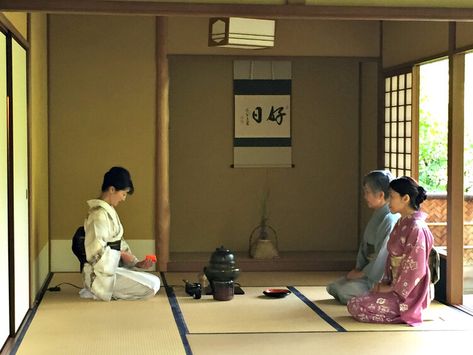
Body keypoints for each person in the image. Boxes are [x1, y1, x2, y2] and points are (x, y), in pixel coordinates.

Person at [347, 176, 434, 326]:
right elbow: (391, 260)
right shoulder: (401, 223)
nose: (389, 201)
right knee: (355, 302)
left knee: (358, 306)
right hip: (395, 285)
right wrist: (384, 284)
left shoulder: (416, 228)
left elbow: (415, 269)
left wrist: (392, 288)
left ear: (405, 198)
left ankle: (410, 311)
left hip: (409, 293)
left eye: (392, 197)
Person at [80, 167, 161, 301]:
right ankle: (95, 290)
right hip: (100, 275)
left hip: (113, 268)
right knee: (150, 288)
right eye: (123, 194)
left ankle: (112, 289)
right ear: (112, 190)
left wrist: (137, 263)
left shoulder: (109, 211)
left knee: (154, 281)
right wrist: (121, 255)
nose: (123, 199)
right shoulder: (98, 215)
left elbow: (119, 242)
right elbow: (95, 254)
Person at [326, 170, 400, 305]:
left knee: (344, 291)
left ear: (381, 195)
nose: (365, 196)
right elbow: (366, 248)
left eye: (367, 192)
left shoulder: (390, 219)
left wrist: (362, 274)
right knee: (333, 287)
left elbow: (382, 258)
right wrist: (359, 269)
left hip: (380, 277)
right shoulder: (379, 214)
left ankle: (381, 295)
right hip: (369, 272)